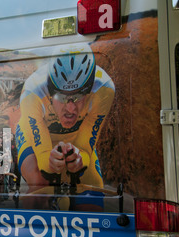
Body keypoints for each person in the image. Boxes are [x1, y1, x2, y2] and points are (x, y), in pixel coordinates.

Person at [15, 44, 115, 210]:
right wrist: (50, 162)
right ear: (50, 90)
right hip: (35, 132)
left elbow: (86, 145)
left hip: (76, 136)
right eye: (62, 97)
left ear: (89, 89)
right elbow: (44, 160)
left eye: (78, 97)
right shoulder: (33, 91)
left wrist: (80, 157)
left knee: (92, 187)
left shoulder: (104, 87)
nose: (70, 109)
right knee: (40, 180)